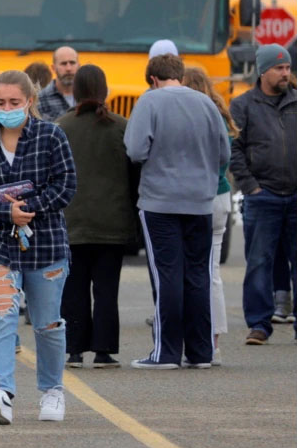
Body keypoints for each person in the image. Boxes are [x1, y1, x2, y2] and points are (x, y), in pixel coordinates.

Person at [0, 70, 76, 424]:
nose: (7, 108)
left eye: (14, 102)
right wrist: (5, 212)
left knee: (47, 324)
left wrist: (29, 210)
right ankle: (0, 391)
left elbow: (66, 185)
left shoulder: (51, 135)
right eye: (0, 103)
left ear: (29, 101)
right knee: (0, 315)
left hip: (46, 241)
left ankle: (52, 390)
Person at [124, 54, 229, 367]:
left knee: (167, 274)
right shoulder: (206, 103)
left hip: (160, 202)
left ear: (153, 79)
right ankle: (201, 352)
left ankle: (166, 351)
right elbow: (224, 152)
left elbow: (135, 150)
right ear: (179, 75)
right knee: (199, 274)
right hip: (200, 201)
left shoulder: (150, 102)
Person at [56, 65, 136, 368]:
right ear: (105, 90)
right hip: (112, 223)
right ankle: (104, 350)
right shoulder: (121, 126)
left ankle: (74, 349)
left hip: (72, 221)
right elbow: (134, 174)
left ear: (75, 90)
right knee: (106, 290)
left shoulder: (61, 127)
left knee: (73, 288)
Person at [229, 44, 295, 345]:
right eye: (279, 68)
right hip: (263, 196)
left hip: (295, 196)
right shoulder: (243, 105)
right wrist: (251, 187)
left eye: (288, 68)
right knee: (258, 262)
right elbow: (234, 149)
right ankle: (258, 324)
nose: (286, 73)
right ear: (263, 71)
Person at [181, 66, 237, 363]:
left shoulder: (190, 117)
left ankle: (194, 338)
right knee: (212, 272)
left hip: (196, 197)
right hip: (221, 194)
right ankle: (213, 341)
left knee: (191, 272)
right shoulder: (219, 114)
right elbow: (225, 157)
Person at [37, 46, 79, 121]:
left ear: (79, 66)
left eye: (72, 63)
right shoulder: (40, 99)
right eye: (63, 64)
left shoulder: (89, 97)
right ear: (53, 68)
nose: (68, 68)